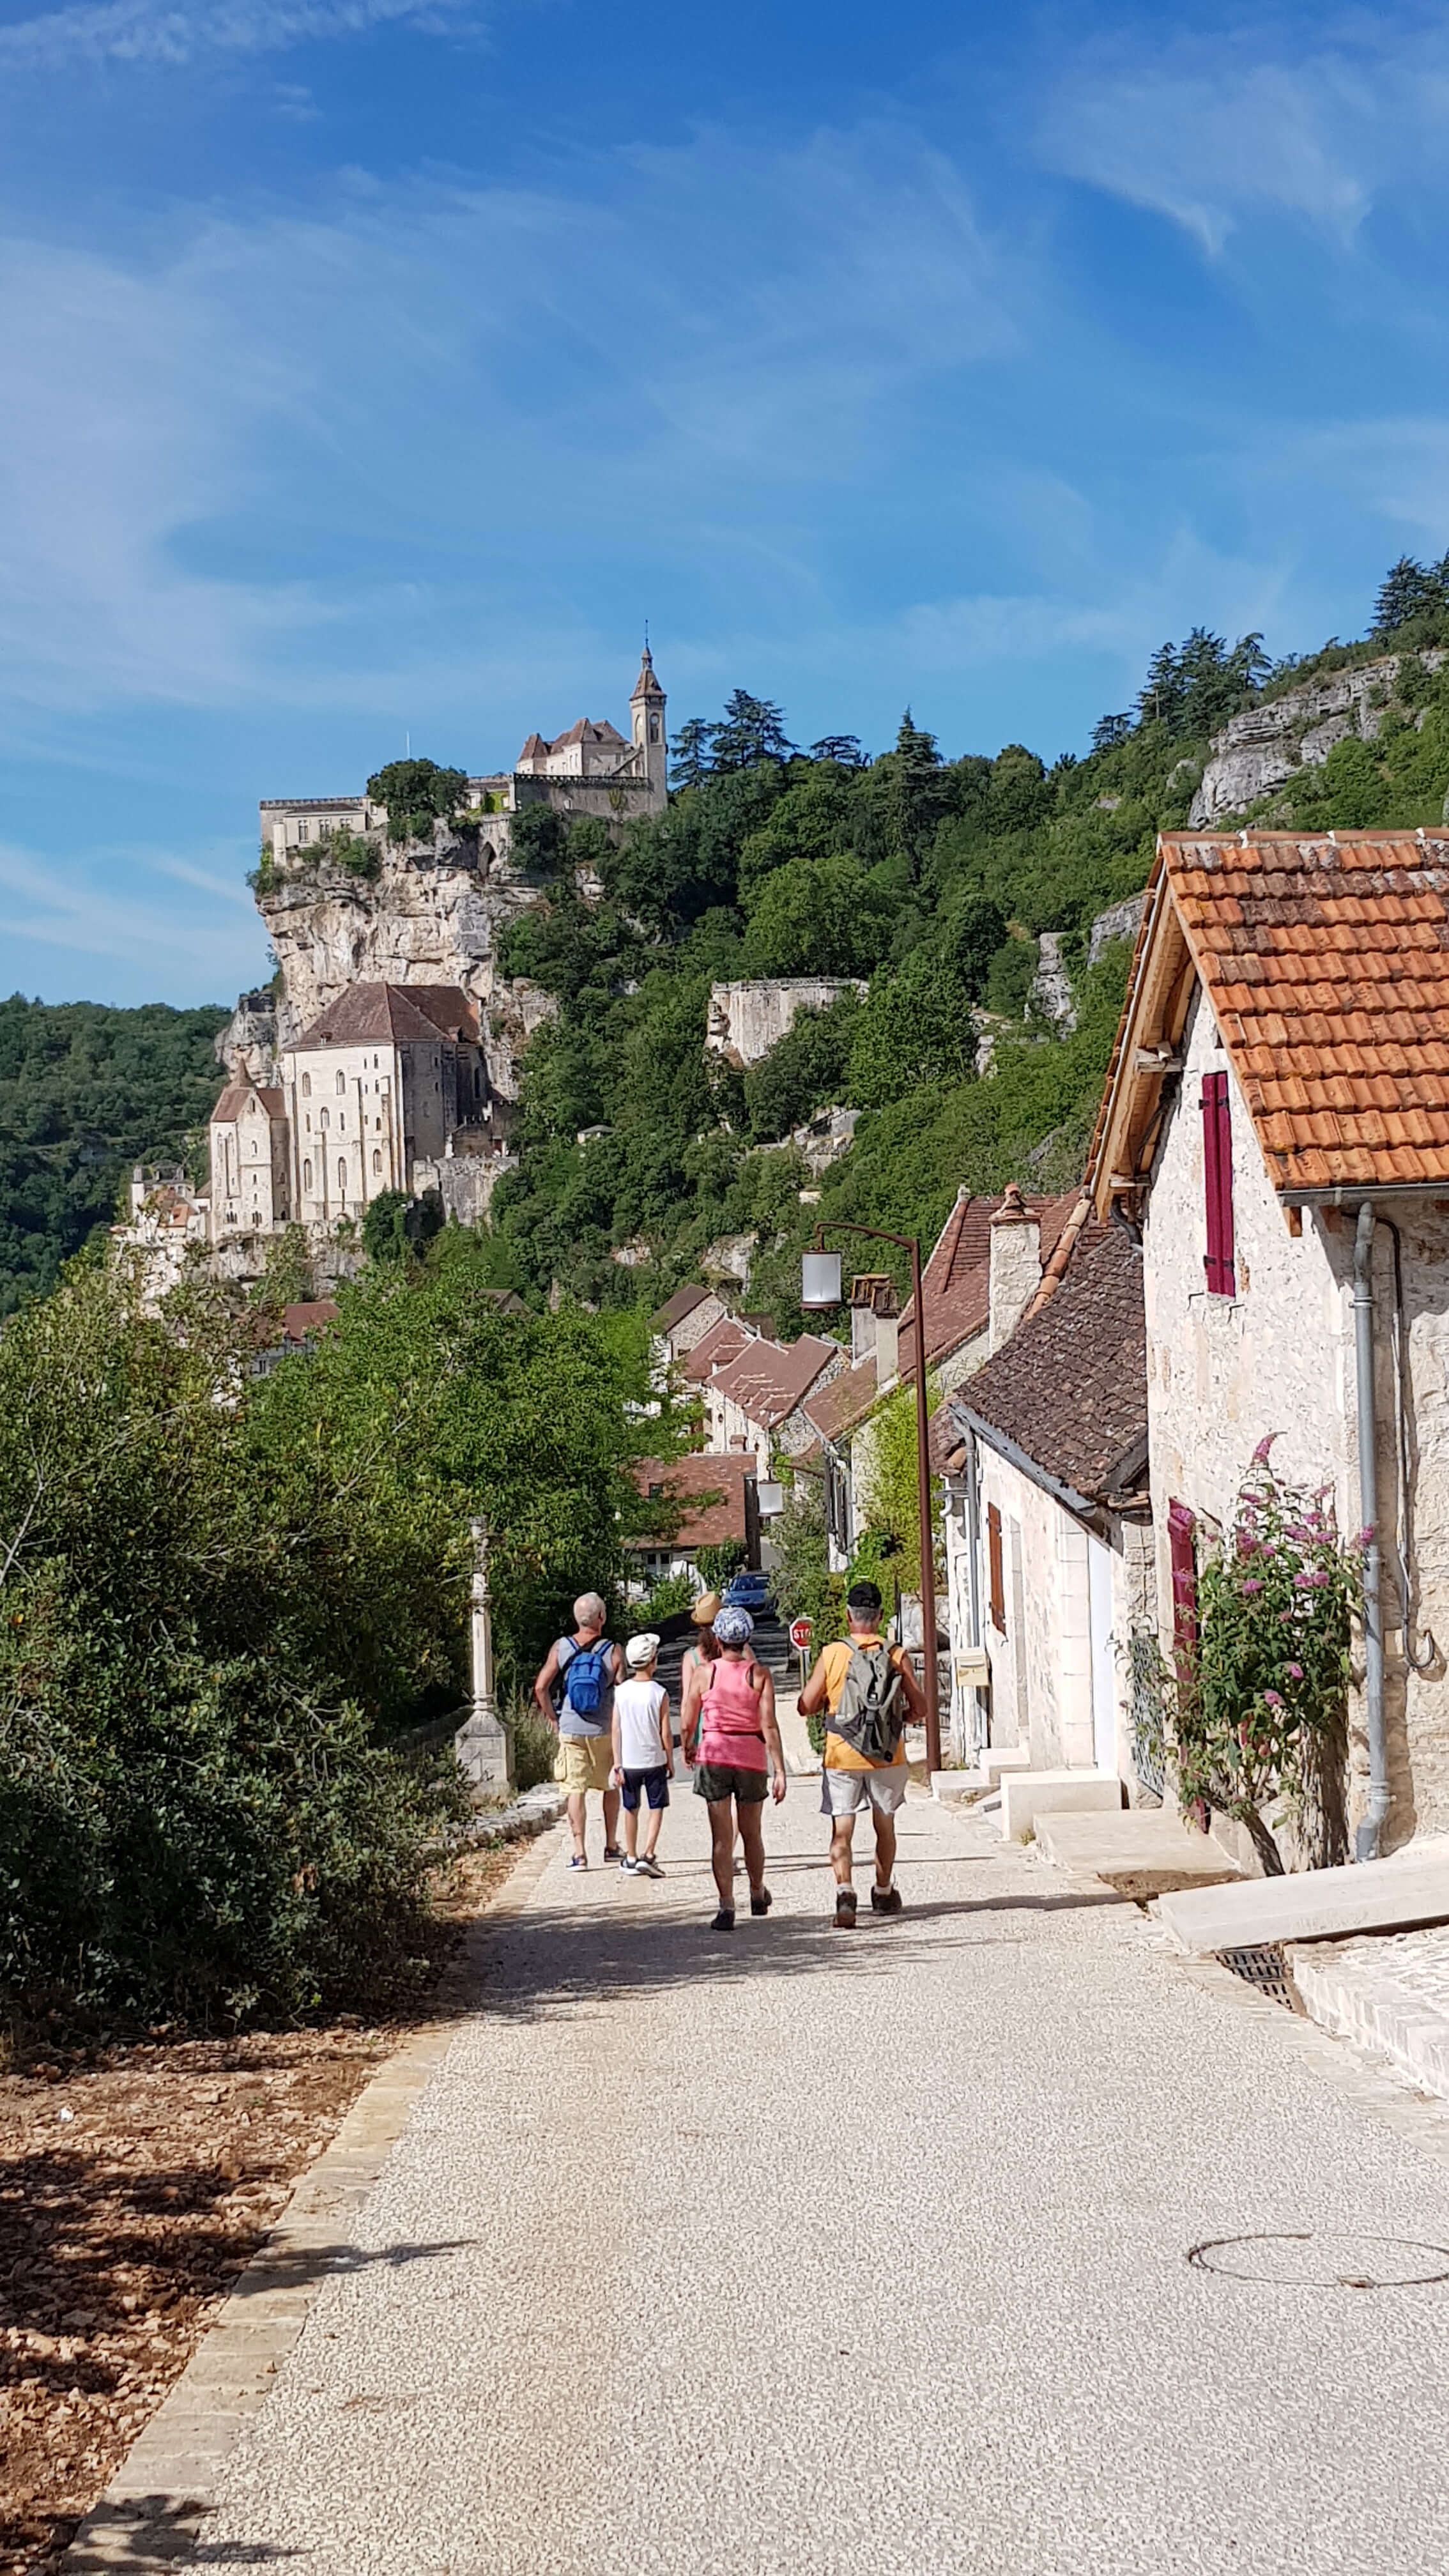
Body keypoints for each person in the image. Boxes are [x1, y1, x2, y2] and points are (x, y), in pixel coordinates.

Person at [797, 1579, 928, 1929]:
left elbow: (805, 1705)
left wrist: (828, 1705)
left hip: (842, 1755)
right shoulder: (896, 1654)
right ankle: (883, 1892)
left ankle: (845, 1892)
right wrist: (898, 1720)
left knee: (842, 1829)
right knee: (885, 1826)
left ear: (848, 1616)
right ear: (880, 1616)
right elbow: (921, 1707)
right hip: (887, 1755)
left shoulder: (832, 1654)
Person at [681, 1606, 786, 1931]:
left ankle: (726, 1905)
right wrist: (780, 1769)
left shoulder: (705, 1673)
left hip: (714, 1754)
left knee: (721, 1837)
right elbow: (769, 1725)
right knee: (752, 1832)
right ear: (747, 1639)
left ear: (718, 1639)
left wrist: (689, 1747)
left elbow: (687, 1719)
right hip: (750, 1757)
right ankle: (756, 1892)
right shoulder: (759, 1675)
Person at [533, 1593, 625, 1870]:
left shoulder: (562, 1647)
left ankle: (580, 1853)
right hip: (605, 1728)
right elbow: (622, 1692)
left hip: (572, 1728)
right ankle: (611, 1845)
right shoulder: (613, 1650)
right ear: (602, 1617)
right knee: (610, 1785)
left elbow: (541, 1687)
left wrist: (553, 1718)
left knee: (576, 1789)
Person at [610, 1632, 672, 1878]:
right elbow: (665, 1732)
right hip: (654, 1760)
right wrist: (669, 1759)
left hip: (629, 1762)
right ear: (653, 1661)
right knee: (656, 1806)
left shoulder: (621, 1692)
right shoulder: (659, 1693)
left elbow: (616, 1728)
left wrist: (617, 1763)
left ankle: (632, 1855)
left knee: (631, 1808)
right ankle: (649, 1853)